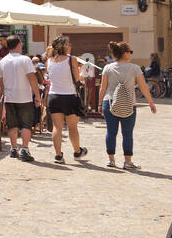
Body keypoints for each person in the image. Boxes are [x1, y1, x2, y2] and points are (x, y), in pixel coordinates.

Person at [100, 41, 155, 169]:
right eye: (130, 52)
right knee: (127, 133)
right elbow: (143, 87)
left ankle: (111, 160)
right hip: (129, 104)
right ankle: (128, 162)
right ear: (125, 54)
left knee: (111, 132)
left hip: (109, 103)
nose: (131, 54)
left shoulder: (107, 68)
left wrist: (99, 104)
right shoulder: (134, 68)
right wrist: (150, 102)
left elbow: (102, 88)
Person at [0, 35, 41, 162]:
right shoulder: (25, 60)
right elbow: (32, 78)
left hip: (10, 97)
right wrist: (37, 96)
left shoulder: (2, 62)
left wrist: (4, 95)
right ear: (18, 45)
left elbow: (1, 83)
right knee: (26, 124)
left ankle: (14, 148)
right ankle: (25, 149)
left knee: (12, 124)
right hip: (24, 97)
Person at [45, 37, 88, 163]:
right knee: (72, 127)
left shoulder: (49, 60)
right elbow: (76, 79)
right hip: (69, 95)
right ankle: (77, 151)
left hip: (53, 96)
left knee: (57, 127)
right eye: (69, 44)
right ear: (64, 46)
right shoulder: (71, 59)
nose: (70, 46)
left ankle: (58, 155)